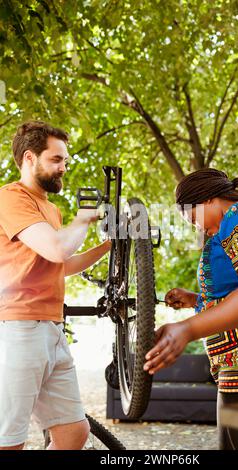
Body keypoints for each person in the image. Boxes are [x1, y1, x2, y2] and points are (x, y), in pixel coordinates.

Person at [144, 168, 238, 450]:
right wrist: (195, 301)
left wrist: (187, 329)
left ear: (206, 200)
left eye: (193, 218)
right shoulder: (228, 227)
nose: (198, 228)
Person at [0, 121, 111, 450]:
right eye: (56, 159)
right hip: (18, 329)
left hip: (51, 328)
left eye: (65, 160)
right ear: (30, 158)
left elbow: (59, 265)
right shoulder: (10, 199)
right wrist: (83, 219)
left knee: (74, 432)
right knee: (9, 440)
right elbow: (57, 248)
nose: (64, 167)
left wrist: (108, 247)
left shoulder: (49, 209)